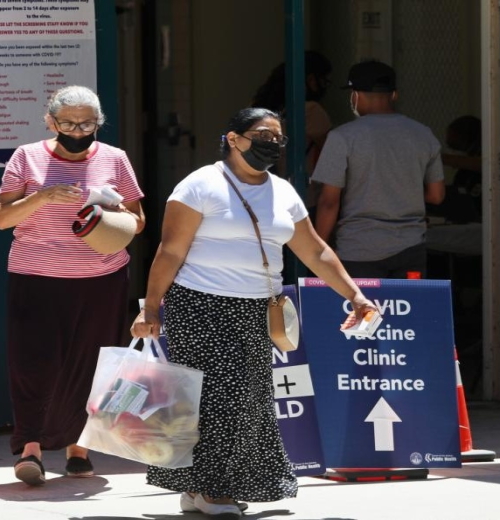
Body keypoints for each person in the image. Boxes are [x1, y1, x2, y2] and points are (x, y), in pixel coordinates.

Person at [130, 107, 377, 517]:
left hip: (258, 309)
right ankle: (215, 491)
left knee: (248, 399)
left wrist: (354, 295)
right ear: (233, 139)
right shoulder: (199, 186)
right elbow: (170, 250)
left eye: (278, 137)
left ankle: (197, 488)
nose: (273, 144)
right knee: (221, 399)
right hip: (201, 304)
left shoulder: (282, 191)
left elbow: (314, 249)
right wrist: (152, 307)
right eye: (263, 135)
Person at [0, 85, 146, 485]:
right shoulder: (26, 157)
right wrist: (43, 197)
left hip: (101, 279)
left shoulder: (116, 159)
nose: (78, 131)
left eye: (87, 123)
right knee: (33, 363)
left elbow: (139, 220)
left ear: (99, 122)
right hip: (36, 276)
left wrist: (109, 217)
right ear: (51, 121)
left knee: (92, 365)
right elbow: (1, 218)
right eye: (68, 123)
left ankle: (80, 447)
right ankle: (30, 447)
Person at [312, 60, 445, 279]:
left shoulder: (343, 137)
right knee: (406, 311)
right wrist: (401, 191)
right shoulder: (423, 134)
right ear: (394, 95)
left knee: (361, 313)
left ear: (355, 95)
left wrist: (319, 251)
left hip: (358, 250)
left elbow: (329, 201)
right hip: (411, 248)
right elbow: (437, 196)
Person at [251, 50, 333, 216]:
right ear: (311, 80)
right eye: (324, 80)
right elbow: (332, 154)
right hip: (303, 196)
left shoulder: (259, 108)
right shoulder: (310, 110)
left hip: (263, 194)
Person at [428, 115, 481, 224]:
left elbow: (485, 165)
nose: (453, 151)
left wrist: (441, 158)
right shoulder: (463, 176)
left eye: (455, 146)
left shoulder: (488, 169)